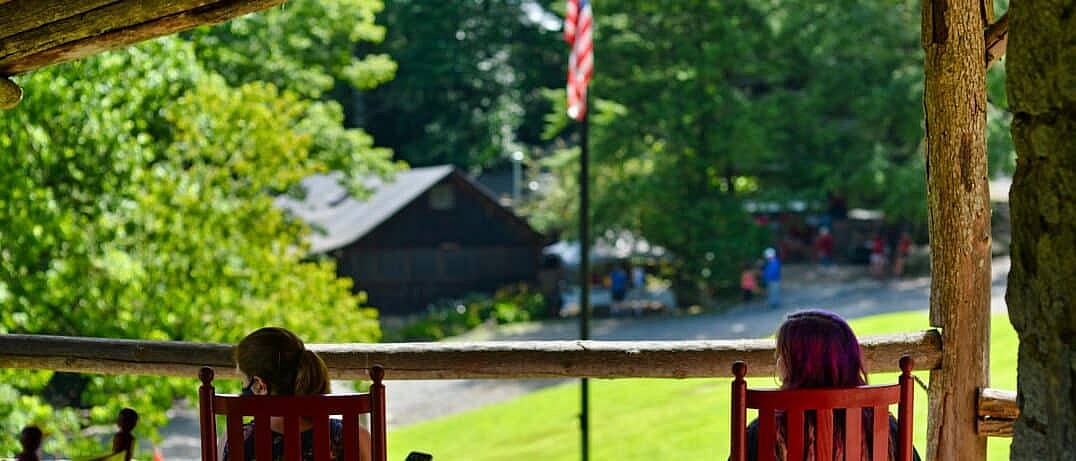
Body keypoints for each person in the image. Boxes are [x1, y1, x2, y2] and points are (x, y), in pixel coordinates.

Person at [741, 310, 922, 461]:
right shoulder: (882, 426)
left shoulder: (767, 430)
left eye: (781, 354)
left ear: (795, 366)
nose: (777, 360)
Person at [222, 327, 372, 461]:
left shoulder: (235, 440)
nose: (242, 387)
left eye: (242, 379)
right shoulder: (356, 437)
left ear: (260, 386)